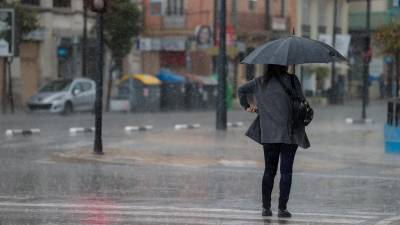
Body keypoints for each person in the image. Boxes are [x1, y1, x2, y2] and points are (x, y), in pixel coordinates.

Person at [237, 64, 310, 218]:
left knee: (269, 170)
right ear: (285, 65)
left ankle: (266, 207)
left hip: (269, 134)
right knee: (286, 171)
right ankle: (282, 208)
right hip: (290, 133)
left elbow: (241, 90)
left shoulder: (260, 81)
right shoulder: (292, 80)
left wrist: (249, 107)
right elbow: (302, 102)